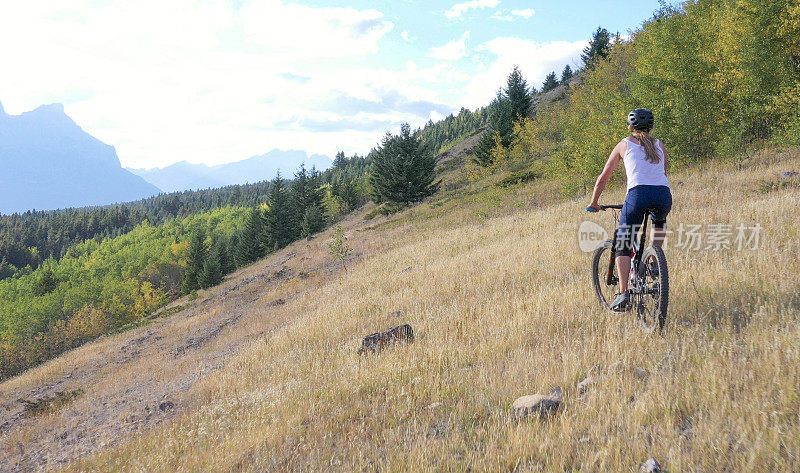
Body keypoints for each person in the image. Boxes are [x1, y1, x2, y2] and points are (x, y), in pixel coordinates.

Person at [585, 108, 672, 311]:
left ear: (630, 126)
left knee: (623, 242)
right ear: (651, 127)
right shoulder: (660, 145)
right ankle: (653, 259)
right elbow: (664, 172)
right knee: (659, 221)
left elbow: (603, 177)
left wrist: (594, 202)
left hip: (637, 195)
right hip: (663, 195)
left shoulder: (624, 144)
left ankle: (624, 293)